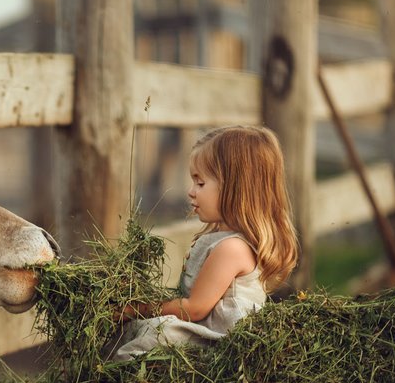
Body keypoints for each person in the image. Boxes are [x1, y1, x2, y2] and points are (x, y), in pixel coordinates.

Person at [114, 125, 299, 359]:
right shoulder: (226, 241)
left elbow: (194, 308)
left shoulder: (231, 248)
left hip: (219, 344)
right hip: (205, 330)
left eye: (200, 183)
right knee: (151, 330)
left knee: (153, 334)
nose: (191, 191)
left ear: (237, 188)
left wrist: (135, 310)